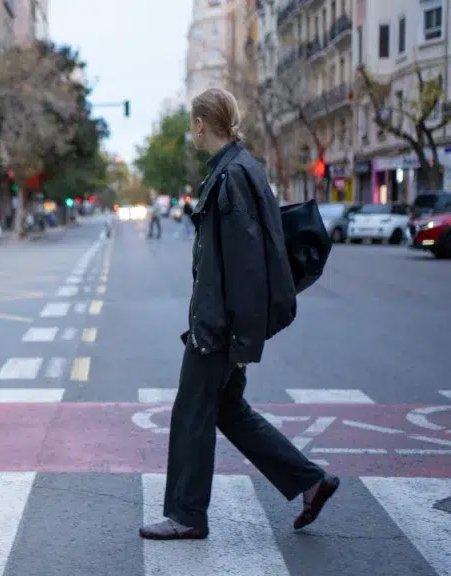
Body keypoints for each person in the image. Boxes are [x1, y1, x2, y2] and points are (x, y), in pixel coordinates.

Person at [138, 88, 339, 541]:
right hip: (224, 323)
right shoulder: (238, 169)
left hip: (221, 327)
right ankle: (310, 482)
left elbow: (249, 266)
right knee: (227, 408)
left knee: (192, 413)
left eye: (193, 123)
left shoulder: (232, 176)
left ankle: (187, 515)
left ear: (200, 125)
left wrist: (245, 341)